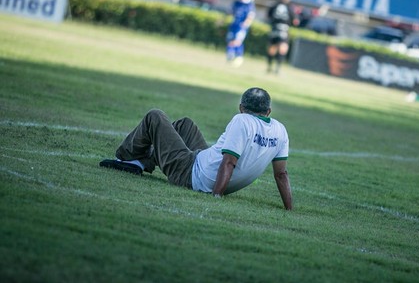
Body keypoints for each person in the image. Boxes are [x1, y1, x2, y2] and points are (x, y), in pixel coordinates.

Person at [99, 87, 293, 210]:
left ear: (241, 108)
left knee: (155, 116)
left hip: (191, 174)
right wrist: (289, 208)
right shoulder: (280, 130)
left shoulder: (241, 120)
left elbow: (229, 162)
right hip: (201, 162)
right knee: (185, 125)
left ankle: (127, 158)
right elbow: (281, 174)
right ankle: (142, 162)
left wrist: (216, 196)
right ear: (268, 112)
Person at [266, 0, 297, 74]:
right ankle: (274, 67)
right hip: (282, 29)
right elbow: (295, 20)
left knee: (276, 48)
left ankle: (273, 67)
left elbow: (268, 16)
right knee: (278, 48)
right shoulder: (289, 7)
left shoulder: (275, 5)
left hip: (277, 29)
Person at [226, 0, 256, 67]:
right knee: (230, 40)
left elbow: (250, 16)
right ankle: (230, 56)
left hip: (241, 26)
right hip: (234, 24)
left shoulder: (249, 4)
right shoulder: (237, 2)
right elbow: (231, 12)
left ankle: (239, 57)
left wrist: (246, 23)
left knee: (237, 41)